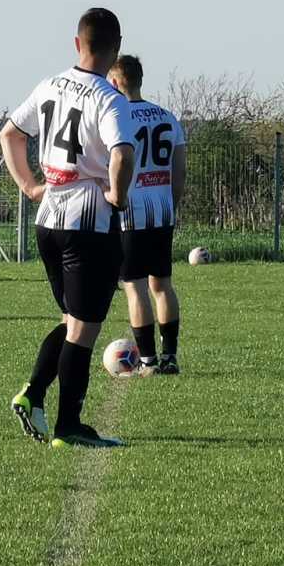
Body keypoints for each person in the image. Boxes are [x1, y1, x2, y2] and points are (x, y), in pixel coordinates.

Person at [1, 8, 134, 448]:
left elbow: (10, 134)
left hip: (48, 219)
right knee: (83, 329)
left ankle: (33, 393)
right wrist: (117, 196)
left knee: (71, 320)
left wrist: (28, 186)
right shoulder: (109, 98)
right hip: (87, 222)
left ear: (77, 43)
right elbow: (122, 154)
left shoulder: (49, 85)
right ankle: (69, 426)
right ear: (116, 48)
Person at [109, 54, 187, 374]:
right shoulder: (168, 118)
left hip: (131, 213)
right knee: (162, 284)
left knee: (135, 286)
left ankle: (148, 361)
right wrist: (171, 204)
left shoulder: (117, 117)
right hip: (163, 211)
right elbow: (179, 172)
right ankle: (170, 357)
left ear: (115, 82)